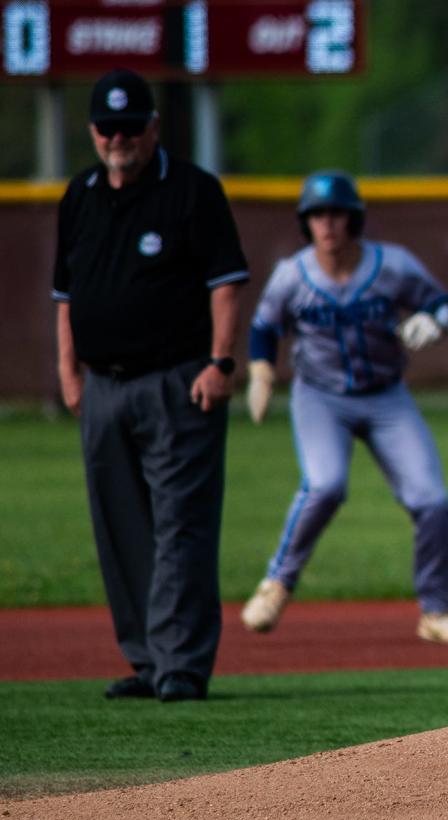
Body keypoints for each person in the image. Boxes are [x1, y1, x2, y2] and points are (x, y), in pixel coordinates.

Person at [53, 68, 249, 702]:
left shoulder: (191, 190)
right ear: (92, 131)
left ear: (153, 128)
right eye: (108, 128)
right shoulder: (79, 194)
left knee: (181, 523)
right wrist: (69, 373)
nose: (119, 139)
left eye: (130, 127)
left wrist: (220, 364)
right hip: (103, 388)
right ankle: (145, 658)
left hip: (178, 382)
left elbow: (226, 284)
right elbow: (66, 296)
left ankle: (182, 665)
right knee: (121, 524)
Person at [239, 170, 448, 645]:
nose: (328, 225)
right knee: (325, 486)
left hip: (385, 395)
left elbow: (440, 303)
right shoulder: (293, 274)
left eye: (337, 215)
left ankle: (436, 612)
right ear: (304, 223)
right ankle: (276, 585)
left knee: (432, 502)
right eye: (317, 216)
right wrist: (261, 372)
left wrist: (435, 322)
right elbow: (264, 327)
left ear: (355, 220)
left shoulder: (391, 265)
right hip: (321, 397)